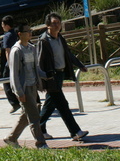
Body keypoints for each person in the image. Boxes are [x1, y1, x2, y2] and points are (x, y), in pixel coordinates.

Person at [37, 13, 89, 142]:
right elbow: (39, 61)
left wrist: (79, 65)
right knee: (62, 104)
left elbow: (68, 54)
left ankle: (40, 129)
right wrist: (44, 78)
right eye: (54, 23)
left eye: (58, 23)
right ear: (47, 25)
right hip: (51, 76)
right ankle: (75, 132)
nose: (57, 25)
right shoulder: (43, 40)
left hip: (60, 74)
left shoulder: (60, 38)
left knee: (50, 104)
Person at [4, 24, 48, 149]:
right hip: (24, 88)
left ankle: (11, 138)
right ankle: (41, 143)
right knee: (34, 117)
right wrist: (19, 92)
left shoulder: (31, 48)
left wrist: (47, 75)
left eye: (30, 31)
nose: (30, 33)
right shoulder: (16, 50)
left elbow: (36, 68)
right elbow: (14, 74)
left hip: (33, 85)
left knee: (27, 114)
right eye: (27, 31)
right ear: (20, 34)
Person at [0, 16, 20, 113]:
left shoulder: (7, 36)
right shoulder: (17, 33)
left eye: (3, 25)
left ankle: (14, 103)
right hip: (20, 61)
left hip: (11, 62)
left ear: (7, 26)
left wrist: (10, 65)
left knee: (6, 82)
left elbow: (8, 52)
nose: (2, 26)